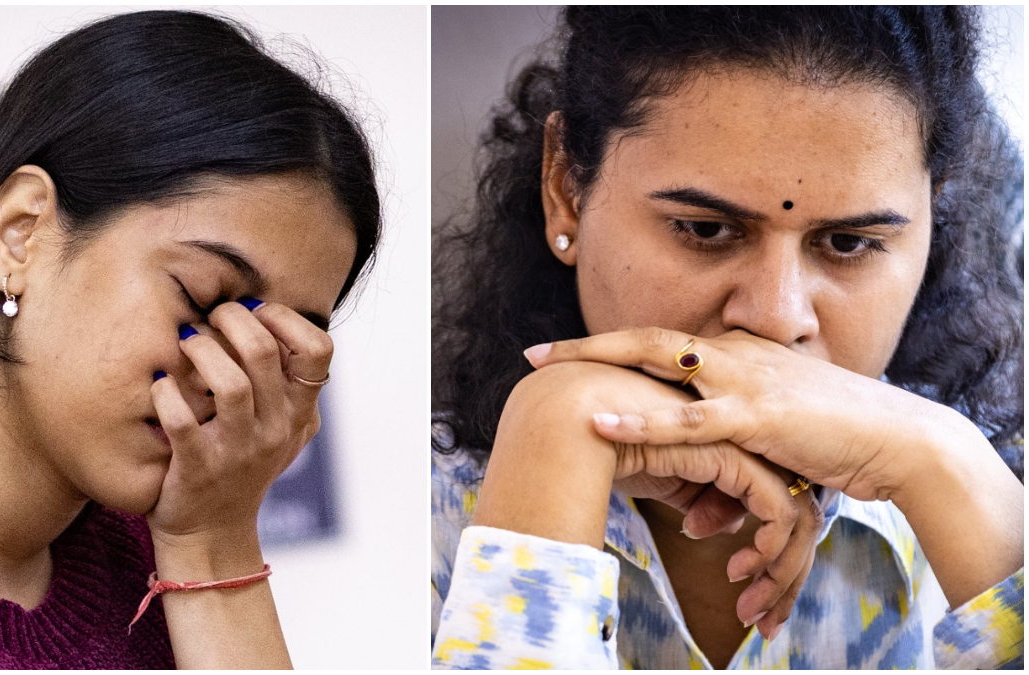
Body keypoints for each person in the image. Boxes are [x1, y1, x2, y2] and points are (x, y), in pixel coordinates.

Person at [432, 6, 1023, 670]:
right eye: (706, 230)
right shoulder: (422, 530)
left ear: (932, 218)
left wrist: (946, 463)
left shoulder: (993, 500)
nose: (775, 317)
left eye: (850, 242)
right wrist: (550, 437)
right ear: (567, 189)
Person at [0, 9, 381, 669]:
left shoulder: (163, 556)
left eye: (277, 346)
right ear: (21, 233)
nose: (230, 378)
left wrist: (213, 542)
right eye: (203, 299)